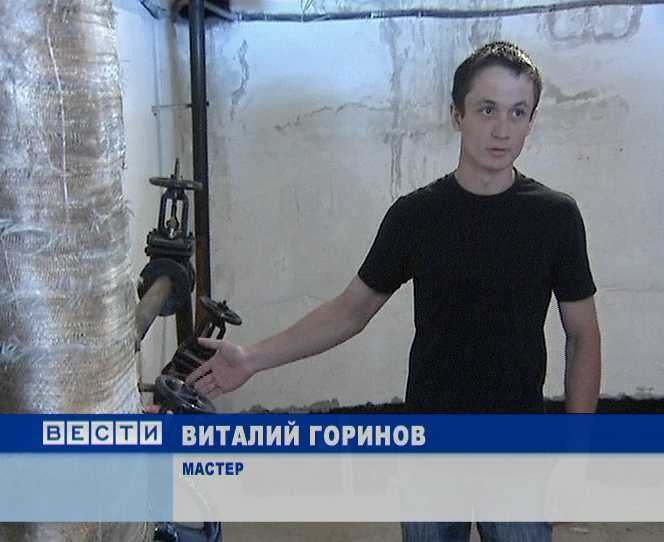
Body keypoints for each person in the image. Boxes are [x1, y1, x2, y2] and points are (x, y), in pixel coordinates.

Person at [187, 41, 601, 542]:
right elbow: (350, 311)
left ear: (531, 121)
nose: (502, 129)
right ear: (457, 115)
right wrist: (252, 358)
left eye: (518, 112)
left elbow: (583, 337)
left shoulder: (555, 217)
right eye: (487, 109)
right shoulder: (417, 216)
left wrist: (577, 458)